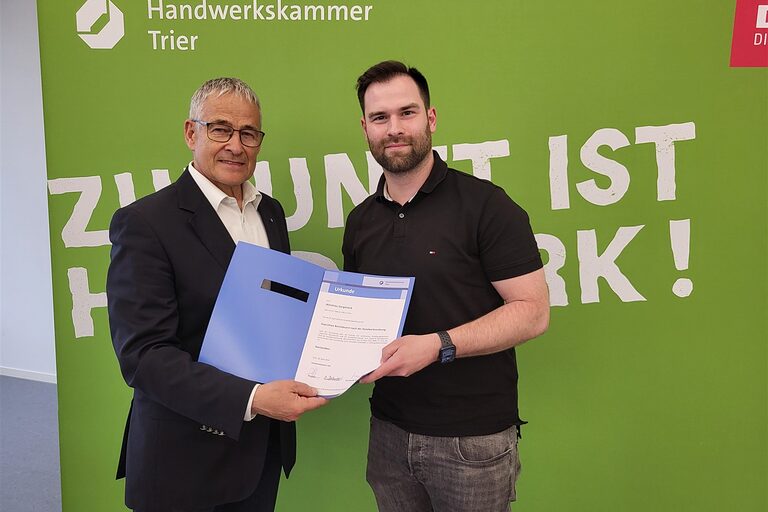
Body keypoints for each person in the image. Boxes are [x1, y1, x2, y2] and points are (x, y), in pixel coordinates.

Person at [107, 77, 327, 512]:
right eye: (221, 129)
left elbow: (272, 317)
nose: (236, 146)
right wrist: (253, 399)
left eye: (249, 133)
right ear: (192, 133)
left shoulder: (270, 212)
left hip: (262, 452)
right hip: (184, 462)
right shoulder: (146, 223)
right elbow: (144, 356)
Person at [343, 61, 550, 511]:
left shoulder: (487, 206)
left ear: (430, 118)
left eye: (407, 112)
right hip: (388, 434)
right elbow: (358, 317)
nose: (394, 129)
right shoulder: (360, 221)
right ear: (365, 128)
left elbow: (533, 311)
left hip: (472, 443)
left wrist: (438, 345)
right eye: (380, 117)